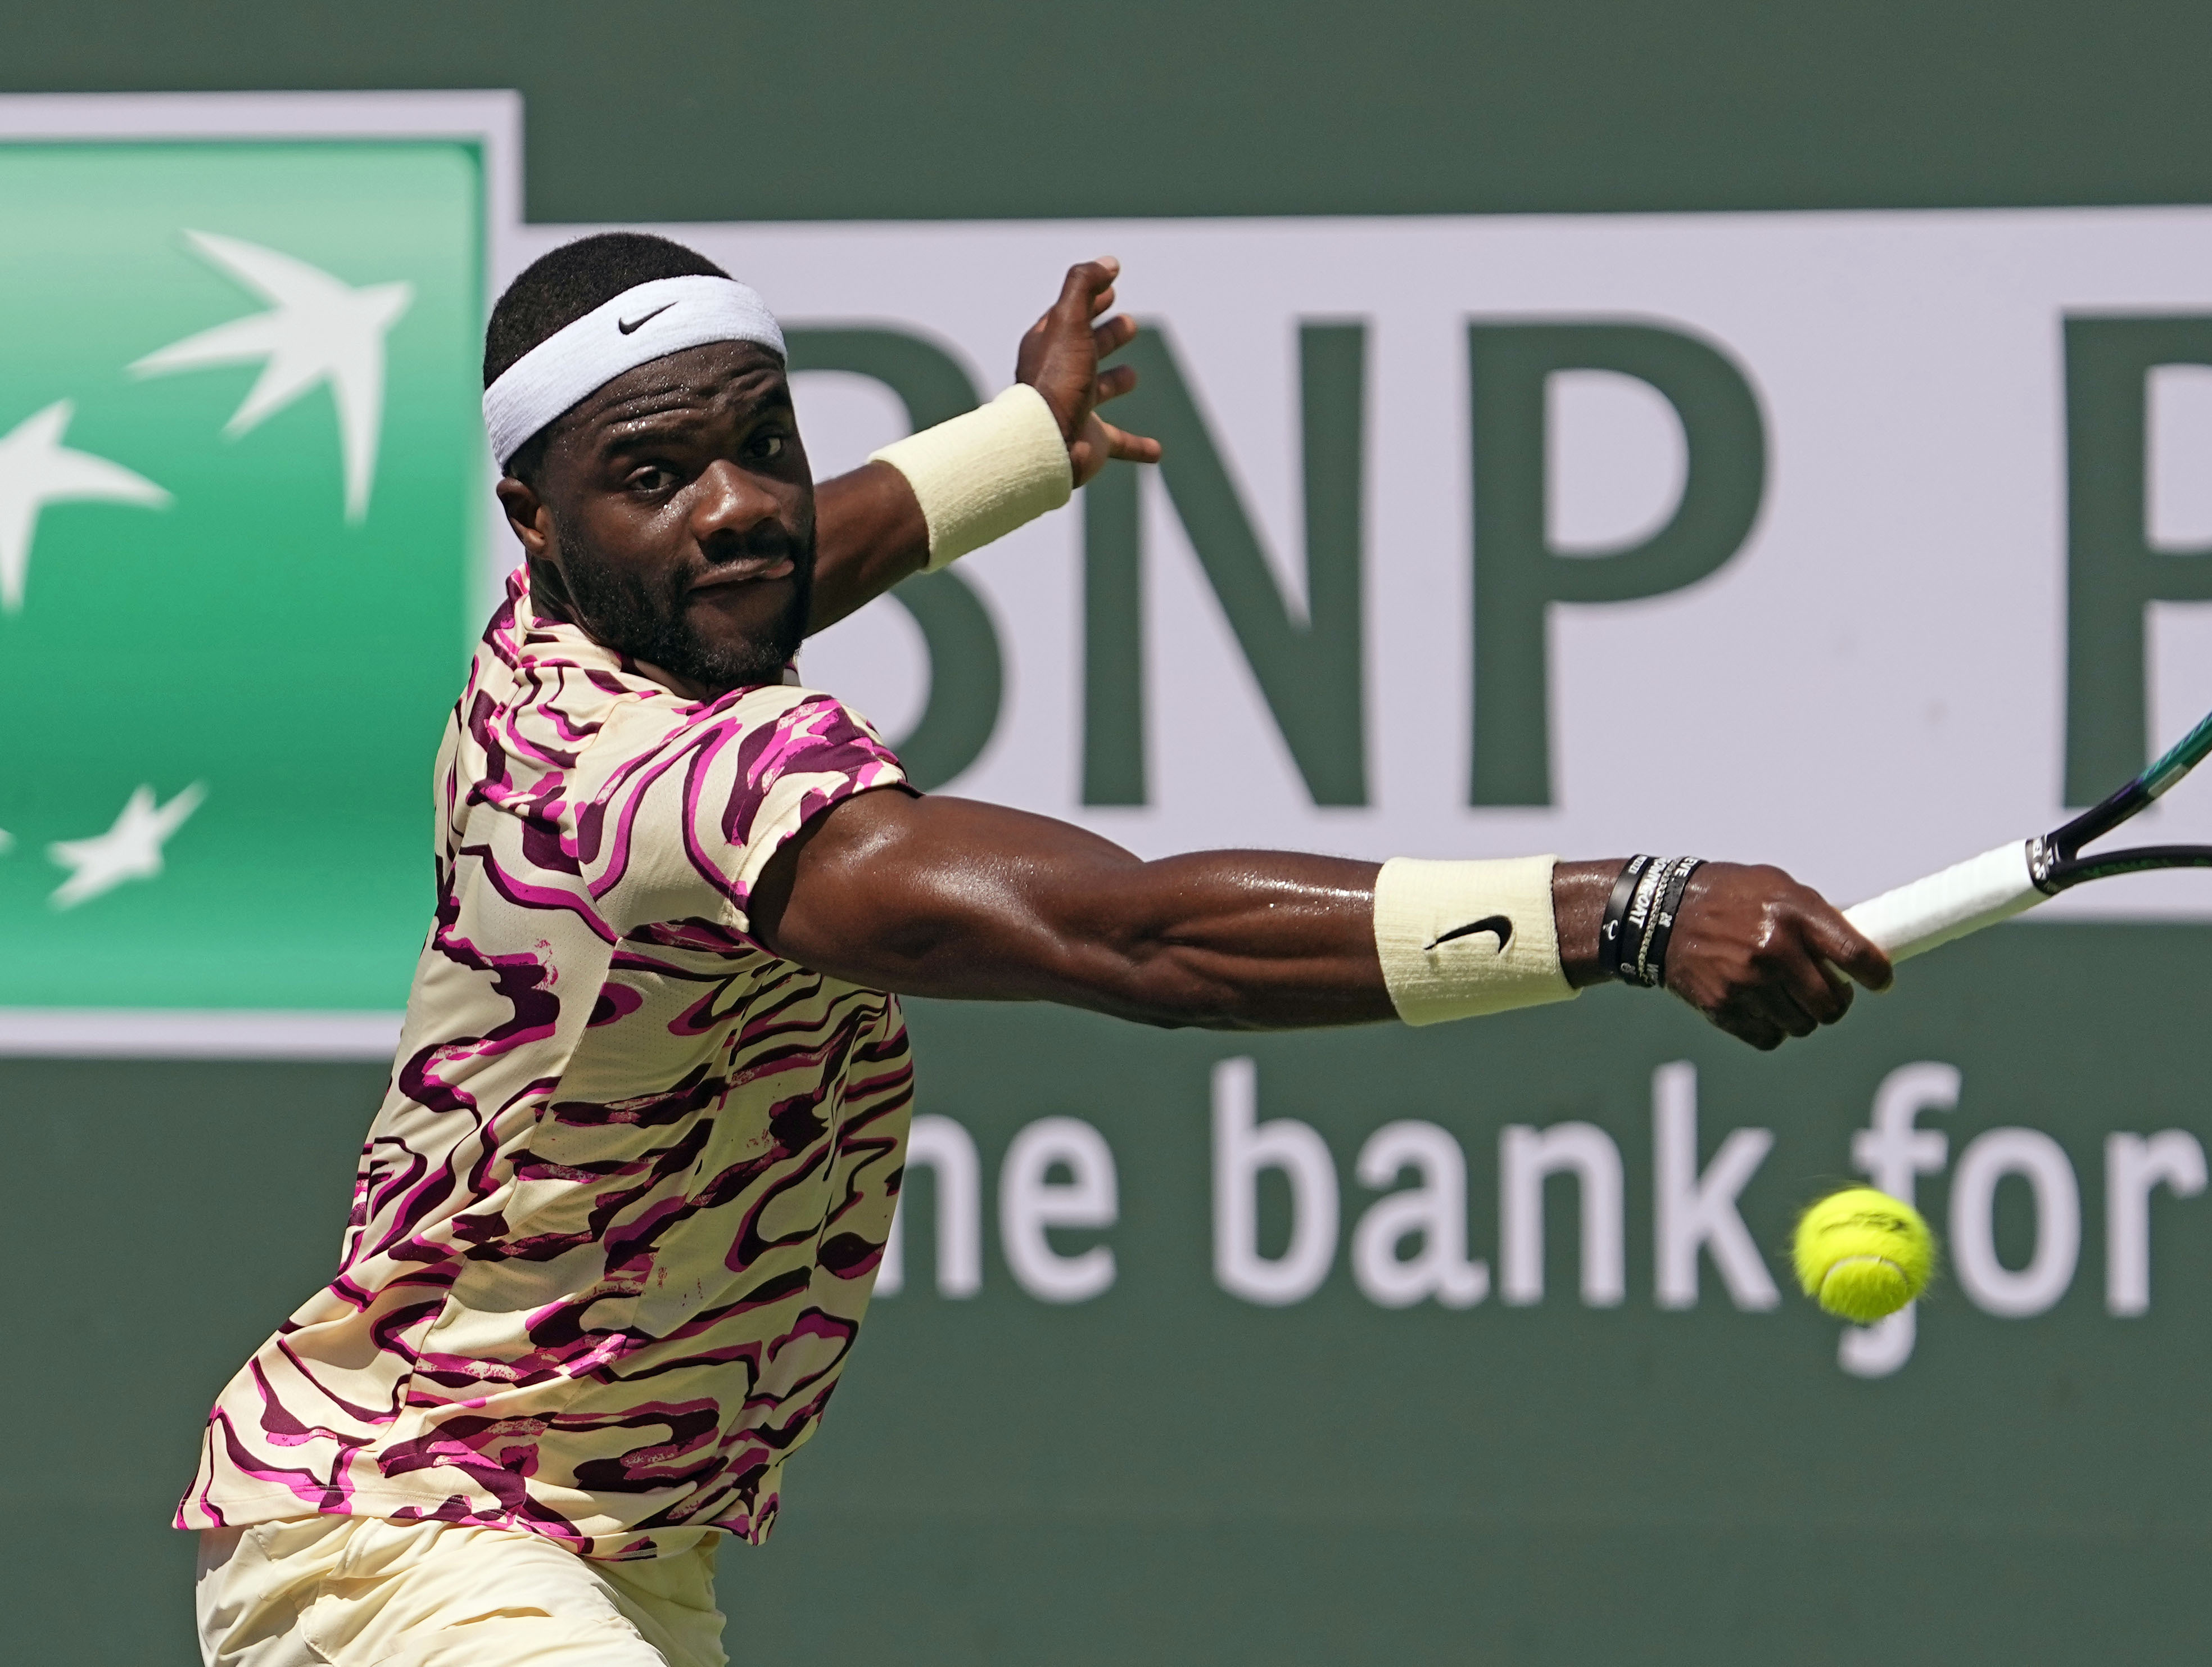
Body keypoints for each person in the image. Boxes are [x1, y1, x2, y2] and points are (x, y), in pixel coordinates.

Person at [178, 232, 1894, 1666]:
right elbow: (1134, 937)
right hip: (405, 1549)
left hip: (603, 1550)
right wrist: (1631, 912)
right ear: (534, 520)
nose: (735, 509)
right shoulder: (680, 795)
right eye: (653, 475)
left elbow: (775, 559)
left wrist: (1019, 441)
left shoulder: (568, 639)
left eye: (761, 443)